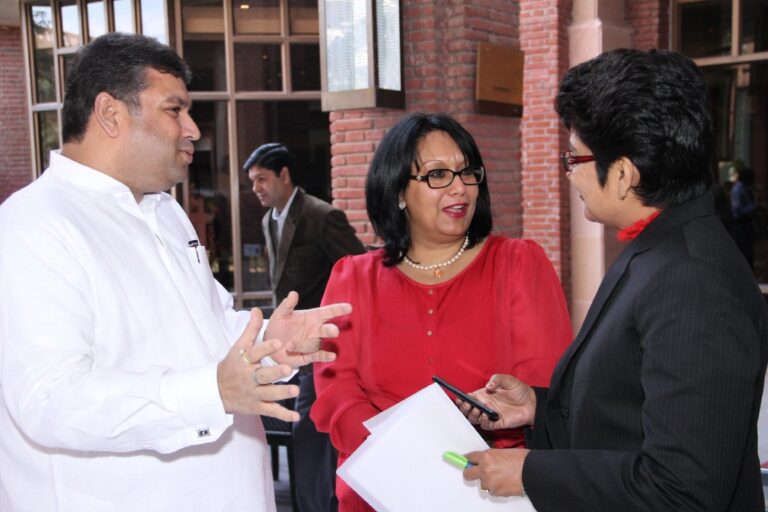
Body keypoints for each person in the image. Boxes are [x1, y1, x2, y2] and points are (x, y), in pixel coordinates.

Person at [0, 33, 352, 511]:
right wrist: (210, 393)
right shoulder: (33, 224)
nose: (192, 130)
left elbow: (210, 329)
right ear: (110, 113)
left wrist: (272, 340)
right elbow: (49, 399)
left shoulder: (164, 212)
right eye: (174, 110)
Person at [459, 49, 768, 511]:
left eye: (574, 158)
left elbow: (682, 489)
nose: (570, 175)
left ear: (623, 173)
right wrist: (539, 409)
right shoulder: (660, 245)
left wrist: (529, 472)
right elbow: (634, 406)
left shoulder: (692, 280)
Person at [310, 112, 573, 511]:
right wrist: (405, 462)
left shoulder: (518, 263)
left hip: (492, 489)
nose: (460, 188)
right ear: (398, 191)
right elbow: (337, 394)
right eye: (437, 175)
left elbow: (543, 384)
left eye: (468, 173)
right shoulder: (353, 277)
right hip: (383, 491)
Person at [244, 142, 366, 512]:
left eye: (262, 179)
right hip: (290, 345)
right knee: (306, 432)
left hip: (324, 343)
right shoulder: (269, 220)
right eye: (252, 182)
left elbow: (358, 268)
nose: (256, 188)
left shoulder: (321, 216)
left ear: (285, 175)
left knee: (310, 431)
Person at [730, 167, 756, 267]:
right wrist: (751, 208)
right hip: (740, 223)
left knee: (748, 249)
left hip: (746, 223)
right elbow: (736, 209)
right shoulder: (737, 189)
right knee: (743, 249)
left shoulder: (745, 188)